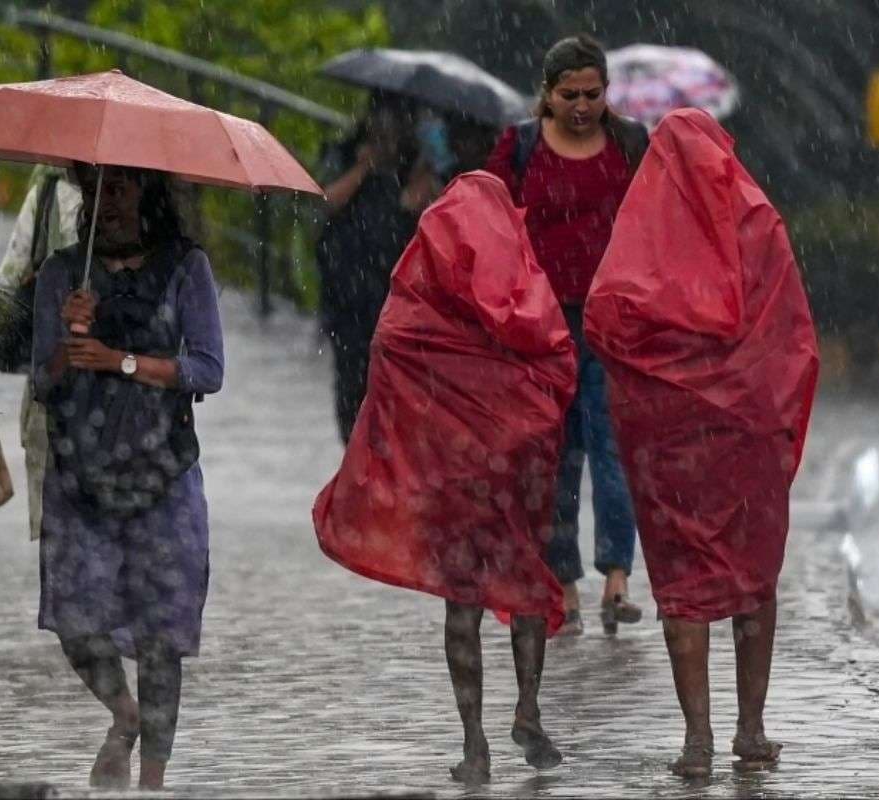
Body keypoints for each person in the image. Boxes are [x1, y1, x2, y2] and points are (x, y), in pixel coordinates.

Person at [314, 172, 577, 785]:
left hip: (452, 474)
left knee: (463, 606)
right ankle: (529, 706)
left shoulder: (424, 291)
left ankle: (475, 743)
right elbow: (555, 356)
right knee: (526, 583)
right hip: (513, 468)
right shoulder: (518, 277)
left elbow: (389, 357)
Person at [583, 109, 819, 777]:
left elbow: (605, 324)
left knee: (683, 582)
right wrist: (763, 407)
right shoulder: (758, 222)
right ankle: (751, 727)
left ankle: (698, 739)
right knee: (752, 578)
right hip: (746, 437)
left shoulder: (642, 233)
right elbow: (792, 337)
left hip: (670, 444)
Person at [31, 163, 224, 790]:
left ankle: (152, 784)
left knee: (162, 637)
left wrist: (122, 362)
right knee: (77, 623)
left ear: (148, 194)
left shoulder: (185, 268)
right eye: (93, 191)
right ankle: (124, 713)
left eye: (118, 189)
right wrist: (69, 336)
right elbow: (42, 378)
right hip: (80, 476)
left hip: (163, 472)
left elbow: (208, 369)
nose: (104, 203)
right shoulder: (63, 273)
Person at [485, 34, 649, 636]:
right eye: (569, 95)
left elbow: (656, 216)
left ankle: (617, 578)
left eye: (593, 94)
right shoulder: (521, 146)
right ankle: (563, 582)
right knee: (557, 453)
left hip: (612, 319)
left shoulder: (631, 142)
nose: (582, 106)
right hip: (542, 323)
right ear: (546, 96)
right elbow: (487, 211)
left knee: (612, 446)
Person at [315, 93, 420, 443]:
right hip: (348, 299)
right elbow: (324, 203)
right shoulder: (344, 154)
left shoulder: (416, 167)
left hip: (397, 303)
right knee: (350, 393)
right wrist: (363, 168)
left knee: (396, 399)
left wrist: (415, 195)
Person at [0, 165, 81, 541]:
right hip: (114, 384)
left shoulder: (46, 193)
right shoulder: (135, 196)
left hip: (52, 374)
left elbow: (13, 272)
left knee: (52, 513)